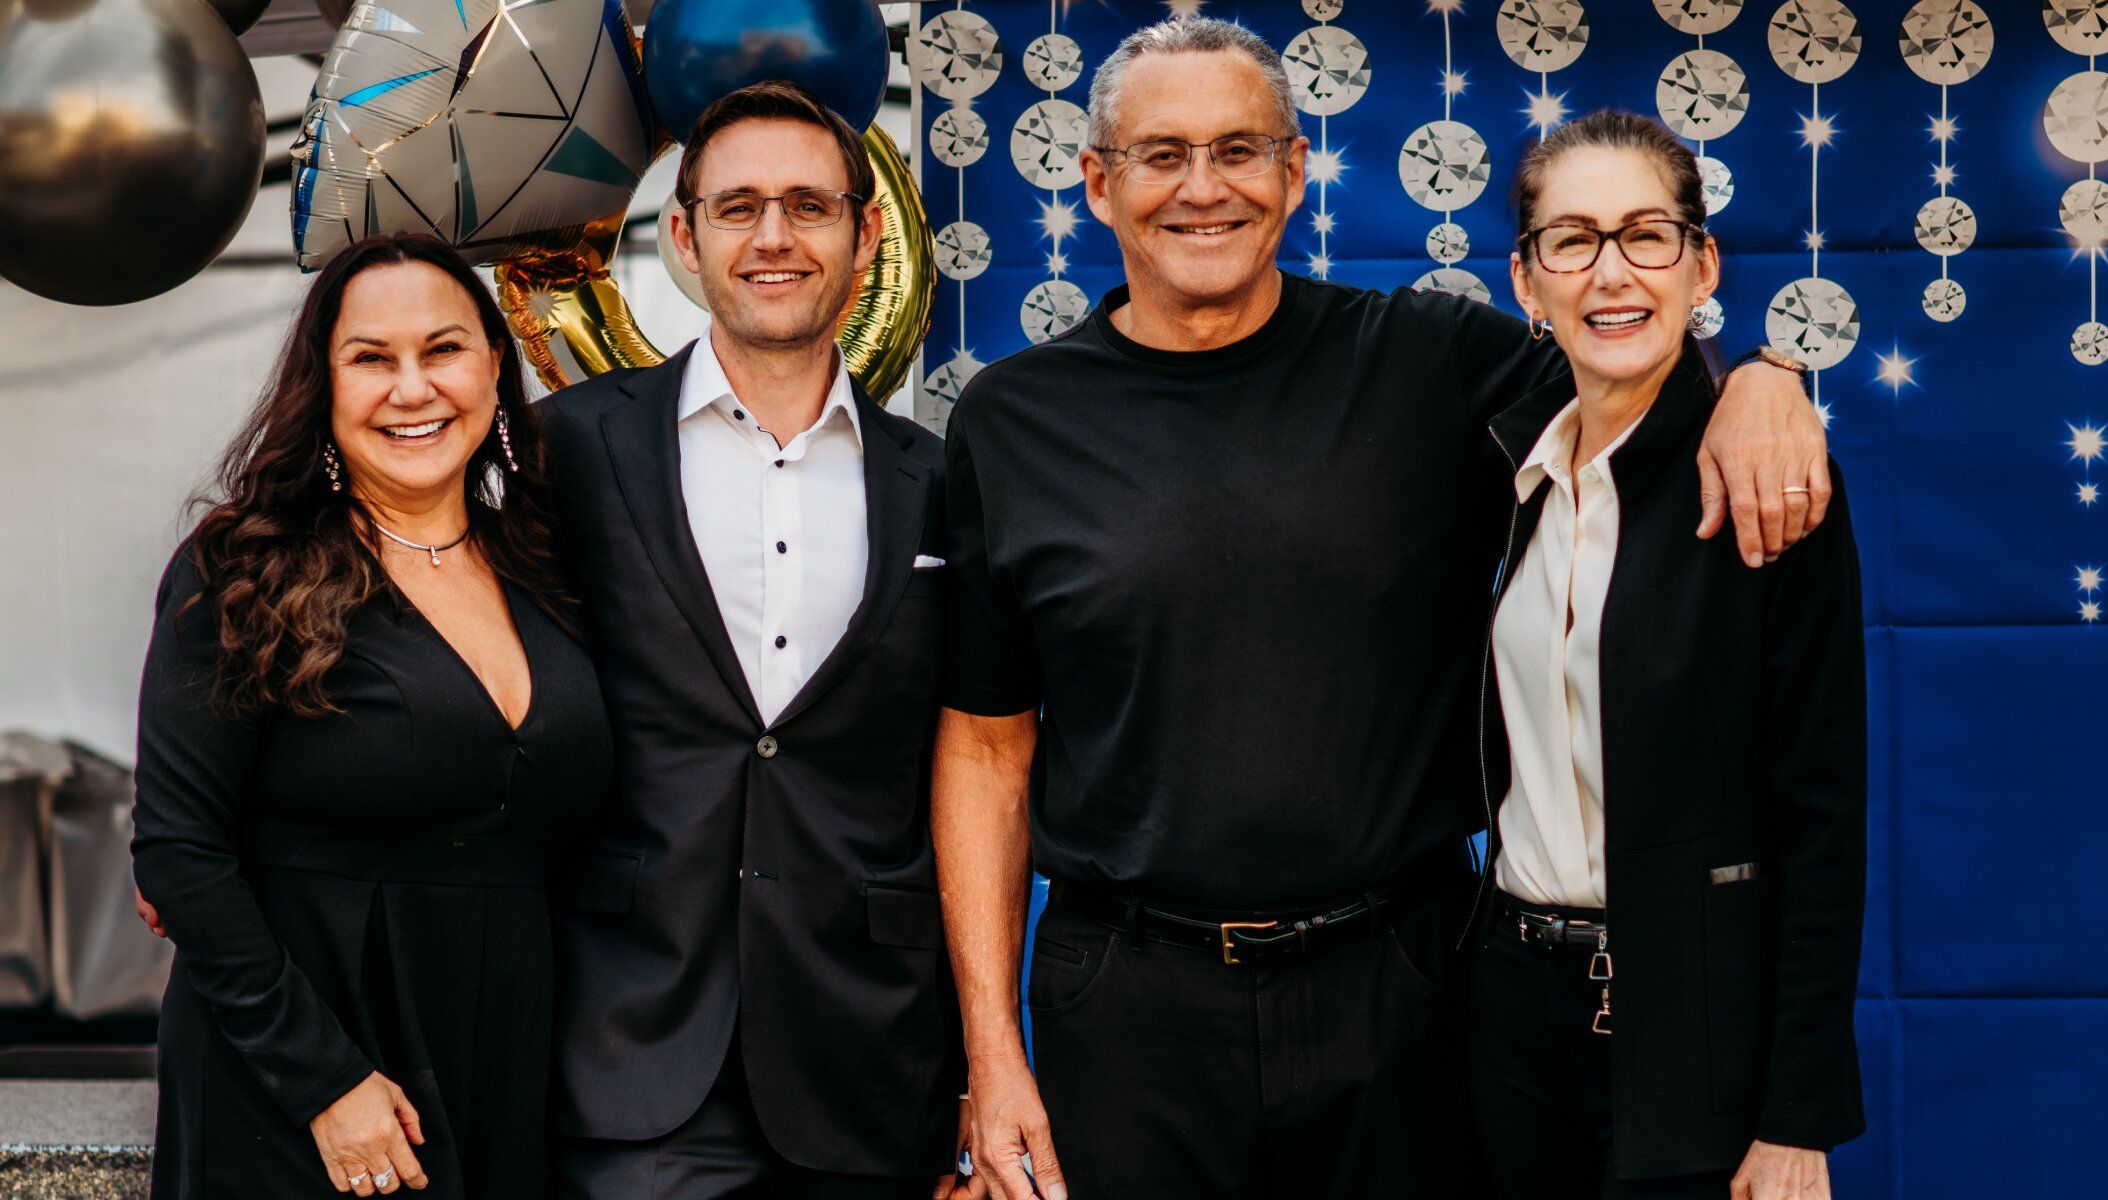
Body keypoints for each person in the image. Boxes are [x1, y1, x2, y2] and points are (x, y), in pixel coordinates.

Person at [933, 16, 1832, 1200]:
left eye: (1239, 150)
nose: (1203, 189)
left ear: (1296, 172)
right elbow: (989, 750)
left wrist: (1761, 378)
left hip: (1404, 991)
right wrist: (991, 1058)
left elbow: (1626, 356)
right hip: (1127, 1002)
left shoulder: (1430, 360)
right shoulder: (1010, 422)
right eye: (1162, 155)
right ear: (1098, 183)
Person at [536, 81, 965, 1200]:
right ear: (682, 235)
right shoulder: (564, 449)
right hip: (630, 1052)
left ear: (866, 234)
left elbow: (977, 760)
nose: (773, 237)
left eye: (807, 205)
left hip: (872, 1066)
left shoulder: (944, 480)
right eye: (737, 208)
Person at [131, 232, 611, 1199]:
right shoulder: (242, 570)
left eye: (443, 350)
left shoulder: (553, 567)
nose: (413, 387)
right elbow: (179, 853)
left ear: (492, 365)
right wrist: (324, 1082)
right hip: (305, 1067)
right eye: (371, 359)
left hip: (505, 1049)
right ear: (324, 385)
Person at [1468, 111, 1865, 1200]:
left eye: (1647, 235)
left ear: (1701, 265)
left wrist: (1798, 1118)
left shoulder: (1765, 484)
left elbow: (1821, 822)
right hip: (1504, 1014)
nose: (1611, 272)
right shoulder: (1508, 466)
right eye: (1572, 239)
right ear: (1525, 280)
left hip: (1693, 1031)